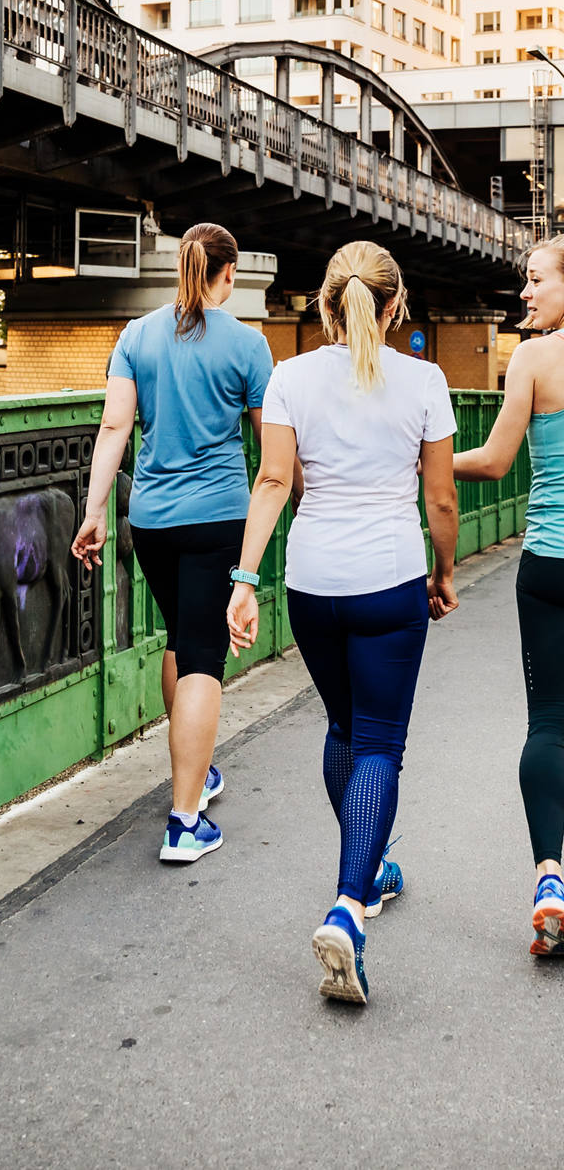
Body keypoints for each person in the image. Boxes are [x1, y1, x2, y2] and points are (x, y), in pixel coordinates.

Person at [227, 240, 459, 1005]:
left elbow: (272, 480)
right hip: (390, 579)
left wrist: (243, 577)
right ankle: (348, 907)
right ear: (395, 308)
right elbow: (441, 501)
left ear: (327, 305)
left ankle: (370, 869)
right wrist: (444, 569)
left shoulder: (289, 377)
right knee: (382, 745)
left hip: (313, 583)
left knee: (344, 731)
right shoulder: (425, 379)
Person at [72, 222, 273, 862]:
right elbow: (273, 452)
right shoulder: (248, 346)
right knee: (206, 658)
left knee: (181, 640)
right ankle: (185, 820)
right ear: (230, 273)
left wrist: (94, 508)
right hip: (217, 518)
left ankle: (197, 773)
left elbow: (114, 426)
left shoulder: (137, 335)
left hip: (151, 521)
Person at [452, 234, 564, 958]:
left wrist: (426, 459)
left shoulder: (532, 360)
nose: (523, 291)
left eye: (534, 280)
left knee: (550, 723)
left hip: (550, 563)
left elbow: (493, 462)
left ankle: (551, 882)